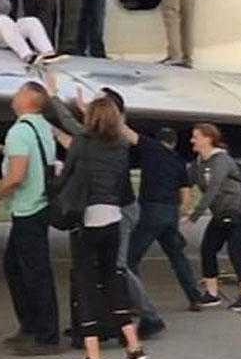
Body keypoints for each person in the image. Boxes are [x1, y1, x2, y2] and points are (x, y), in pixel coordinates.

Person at [47, 82, 165, 339]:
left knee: (117, 267)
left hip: (120, 209)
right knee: (110, 268)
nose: (89, 103)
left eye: (97, 101)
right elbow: (76, 135)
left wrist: (54, 97)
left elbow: (75, 132)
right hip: (117, 207)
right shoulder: (110, 138)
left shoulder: (111, 136)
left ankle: (150, 316)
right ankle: (110, 320)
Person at [57, 97, 149, 359]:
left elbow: (69, 175)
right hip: (112, 216)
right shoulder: (121, 145)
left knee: (85, 285)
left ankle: (93, 358)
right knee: (113, 280)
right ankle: (133, 346)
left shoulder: (83, 142)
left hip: (88, 217)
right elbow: (122, 185)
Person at [0, 82, 60, 356]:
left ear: (27, 100)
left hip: (27, 209)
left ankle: (46, 334)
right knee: (14, 266)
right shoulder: (42, 127)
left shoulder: (19, 131)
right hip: (39, 206)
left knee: (34, 272)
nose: (13, 96)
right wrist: (0, 148)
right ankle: (30, 325)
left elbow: (16, 175)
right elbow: (30, 152)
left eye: (18, 92)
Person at [122, 127, 204, 312]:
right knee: (177, 256)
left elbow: (127, 133)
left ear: (158, 140)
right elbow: (186, 196)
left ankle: (134, 302)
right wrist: (179, 215)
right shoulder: (179, 162)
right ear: (174, 143)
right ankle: (194, 297)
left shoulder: (151, 148)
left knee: (130, 257)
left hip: (151, 209)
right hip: (170, 211)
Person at [184, 124, 241, 311]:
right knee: (207, 249)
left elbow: (212, 191)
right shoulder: (197, 164)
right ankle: (211, 293)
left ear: (208, 139)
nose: (192, 140)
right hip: (221, 213)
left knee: (235, 249)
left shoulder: (221, 160)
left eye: (196, 137)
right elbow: (186, 182)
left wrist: (193, 217)